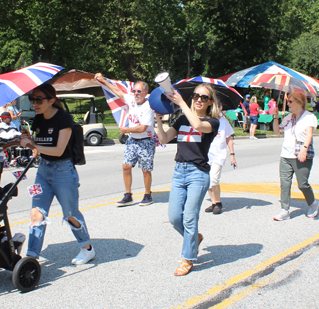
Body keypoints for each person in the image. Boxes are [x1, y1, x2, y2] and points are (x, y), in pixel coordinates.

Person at [19, 83, 95, 264]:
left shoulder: (64, 119)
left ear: (51, 100)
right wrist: (27, 139)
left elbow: (58, 150)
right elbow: (39, 147)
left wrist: (33, 145)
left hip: (64, 171)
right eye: (32, 99)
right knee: (36, 213)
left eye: (39, 99)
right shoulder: (37, 119)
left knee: (70, 214)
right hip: (43, 172)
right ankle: (31, 257)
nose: (34, 103)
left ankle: (87, 248)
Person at [155, 83, 220, 276]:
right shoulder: (183, 119)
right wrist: (158, 120)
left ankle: (188, 258)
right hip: (179, 171)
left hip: (197, 174)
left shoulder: (213, 122)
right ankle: (195, 238)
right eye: (196, 96)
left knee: (190, 218)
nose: (199, 99)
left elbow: (198, 125)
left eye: (204, 97)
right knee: (175, 218)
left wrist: (181, 102)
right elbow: (165, 139)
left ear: (210, 102)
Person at [95, 73, 156, 207]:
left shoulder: (149, 107)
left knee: (146, 170)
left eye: (139, 91)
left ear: (145, 92)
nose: (135, 93)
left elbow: (143, 128)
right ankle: (128, 195)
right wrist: (103, 80)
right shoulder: (131, 100)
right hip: (132, 140)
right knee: (126, 166)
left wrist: (126, 130)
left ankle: (147, 195)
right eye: (134, 91)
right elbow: (118, 91)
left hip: (146, 141)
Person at [273, 93, 319, 221]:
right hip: (285, 155)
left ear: (299, 102)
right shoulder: (288, 117)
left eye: (291, 101)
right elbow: (277, 132)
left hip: (300, 154)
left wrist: (304, 149)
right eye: (288, 101)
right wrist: (276, 117)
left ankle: (313, 203)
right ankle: (285, 210)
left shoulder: (308, 117)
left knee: (302, 184)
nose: (288, 103)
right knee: (285, 183)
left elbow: (309, 135)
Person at [205, 103, 236, 215]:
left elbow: (229, 139)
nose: (217, 108)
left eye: (219, 106)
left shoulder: (224, 121)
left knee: (214, 179)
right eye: (215, 106)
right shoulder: (207, 120)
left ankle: (218, 203)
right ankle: (213, 202)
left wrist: (232, 155)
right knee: (207, 180)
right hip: (207, 154)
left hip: (219, 154)